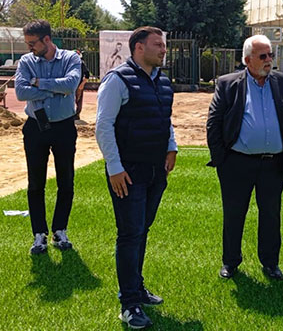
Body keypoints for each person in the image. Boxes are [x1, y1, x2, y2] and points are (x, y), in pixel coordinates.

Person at [96, 26, 177, 329]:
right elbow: (103, 126)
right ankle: (129, 304)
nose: (164, 49)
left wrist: (171, 147)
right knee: (130, 234)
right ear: (139, 48)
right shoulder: (117, 80)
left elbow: (165, 119)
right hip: (128, 173)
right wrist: (115, 168)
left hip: (155, 170)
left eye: (164, 45)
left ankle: (137, 288)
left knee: (142, 231)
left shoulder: (162, 82)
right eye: (158, 45)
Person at [207, 35, 283, 280]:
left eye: (271, 55)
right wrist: (221, 160)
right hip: (237, 163)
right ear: (248, 60)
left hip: (273, 163)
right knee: (234, 213)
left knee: (271, 214)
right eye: (263, 56)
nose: (269, 60)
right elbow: (214, 123)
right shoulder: (228, 84)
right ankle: (230, 261)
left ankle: (270, 262)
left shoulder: (282, 82)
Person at [14, 19, 81, 254]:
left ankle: (60, 230)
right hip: (35, 127)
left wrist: (38, 83)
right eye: (27, 43)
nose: (29, 47)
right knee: (35, 183)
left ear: (47, 39)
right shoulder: (26, 61)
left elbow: (70, 85)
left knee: (66, 181)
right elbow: (20, 91)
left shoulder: (71, 59)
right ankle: (39, 234)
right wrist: (54, 90)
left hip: (64, 127)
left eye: (33, 43)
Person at [74, 50, 90, 121]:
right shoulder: (67, 63)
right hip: (71, 84)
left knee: (78, 99)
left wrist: (82, 84)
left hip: (78, 84)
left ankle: (77, 114)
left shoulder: (81, 63)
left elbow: (87, 75)